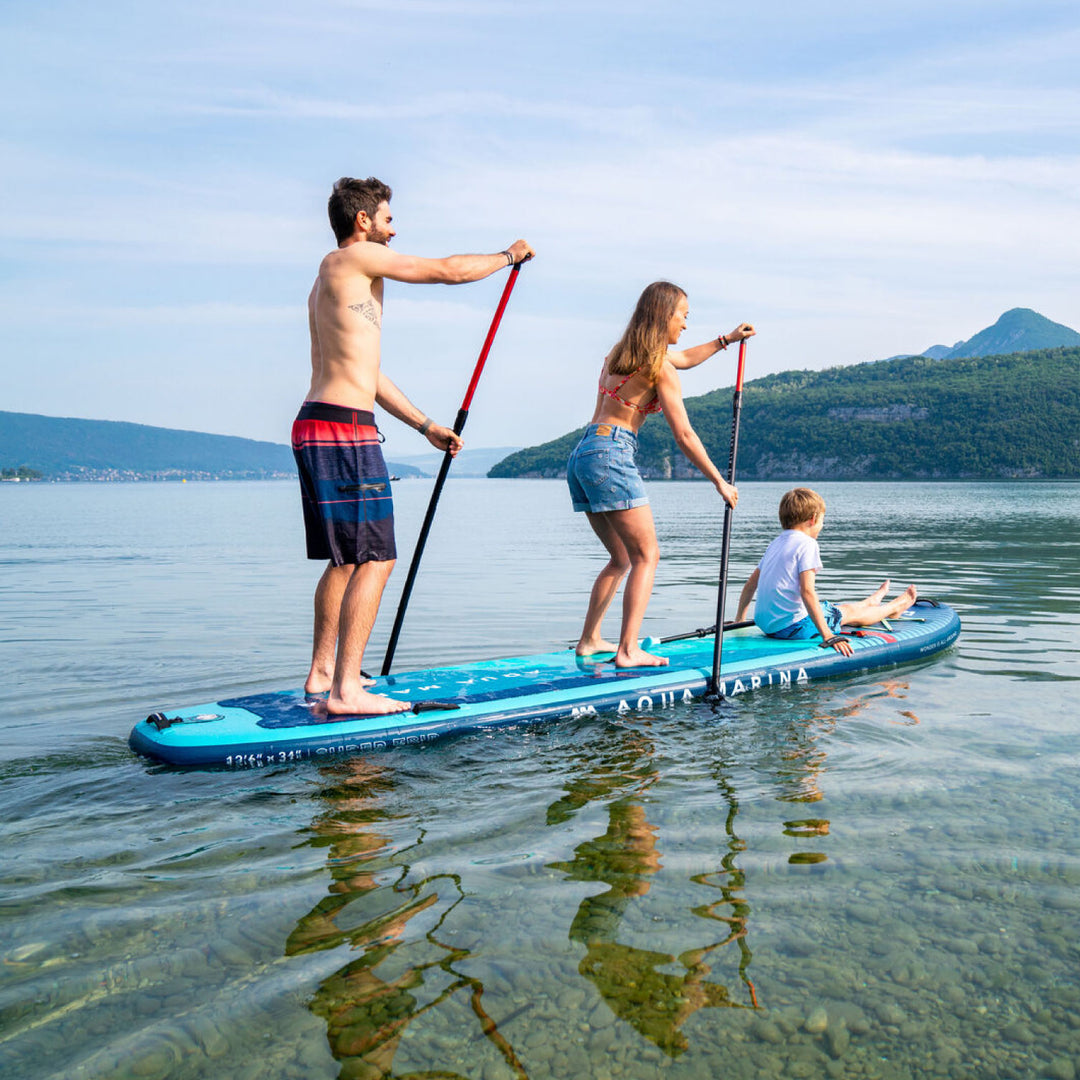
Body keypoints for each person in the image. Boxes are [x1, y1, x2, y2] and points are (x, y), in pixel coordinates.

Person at [294, 176, 534, 716]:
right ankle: (347, 691)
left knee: (345, 561)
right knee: (377, 558)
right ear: (363, 221)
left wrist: (425, 425)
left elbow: (368, 375)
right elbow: (447, 271)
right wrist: (508, 256)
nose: (394, 230)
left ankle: (323, 674)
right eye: (387, 218)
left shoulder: (332, 280)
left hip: (323, 422)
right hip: (343, 428)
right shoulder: (353, 259)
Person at [566, 280, 754, 668]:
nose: (685, 323)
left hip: (584, 453)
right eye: (683, 315)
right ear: (663, 315)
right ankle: (628, 650)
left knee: (621, 558)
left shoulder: (618, 356)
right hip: (612, 453)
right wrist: (719, 481)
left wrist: (727, 340)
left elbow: (683, 357)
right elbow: (684, 435)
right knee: (647, 556)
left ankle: (589, 640)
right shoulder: (659, 369)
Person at [735, 487, 918, 656]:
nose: (822, 525)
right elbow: (807, 591)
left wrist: (739, 621)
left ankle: (871, 601)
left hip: (768, 626)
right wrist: (828, 635)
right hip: (793, 628)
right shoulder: (807, 544)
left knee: (837, 609)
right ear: (813, 518)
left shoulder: (775, 543)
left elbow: (750, 585)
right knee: (850, 614)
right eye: (822, 520)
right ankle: (894, 608)